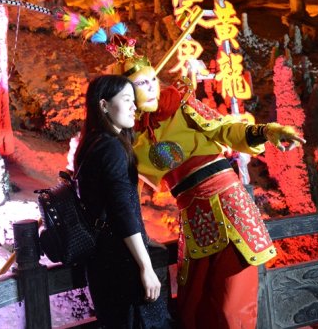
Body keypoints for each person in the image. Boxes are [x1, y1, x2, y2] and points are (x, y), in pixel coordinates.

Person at [109, 41, 305, 329]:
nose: (151, 87)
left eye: (152, 79)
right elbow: (128, 196)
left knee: (231, 306)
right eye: (141, 83)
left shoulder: (182, 105)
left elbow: (225, 129)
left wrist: (266, 131)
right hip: (193, 216)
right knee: (194, 307)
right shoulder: (131, 138)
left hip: (228, 205)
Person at [74, 74, 173, 329]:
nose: (134, 107)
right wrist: (145, 266)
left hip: (102, 258)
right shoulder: (111, 148)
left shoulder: (91, 143)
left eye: (134, 100)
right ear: (104, 105)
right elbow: (122, 211)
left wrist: (145, 240)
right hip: (122, 261)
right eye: (127, 99)